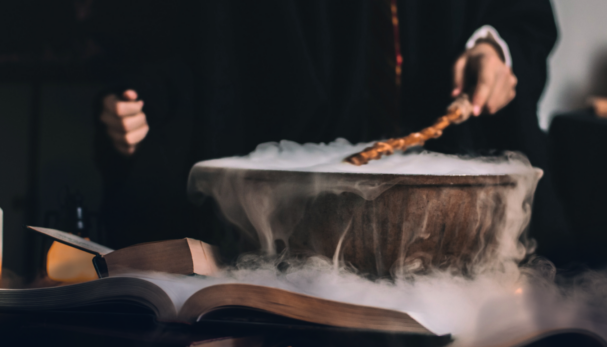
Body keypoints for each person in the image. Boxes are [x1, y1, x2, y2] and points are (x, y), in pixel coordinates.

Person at [95, 0, 572, 263]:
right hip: (290, 218)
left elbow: (522, 16)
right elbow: (194, 35)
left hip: (454, 213)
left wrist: (496, 49)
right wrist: (150, 98)